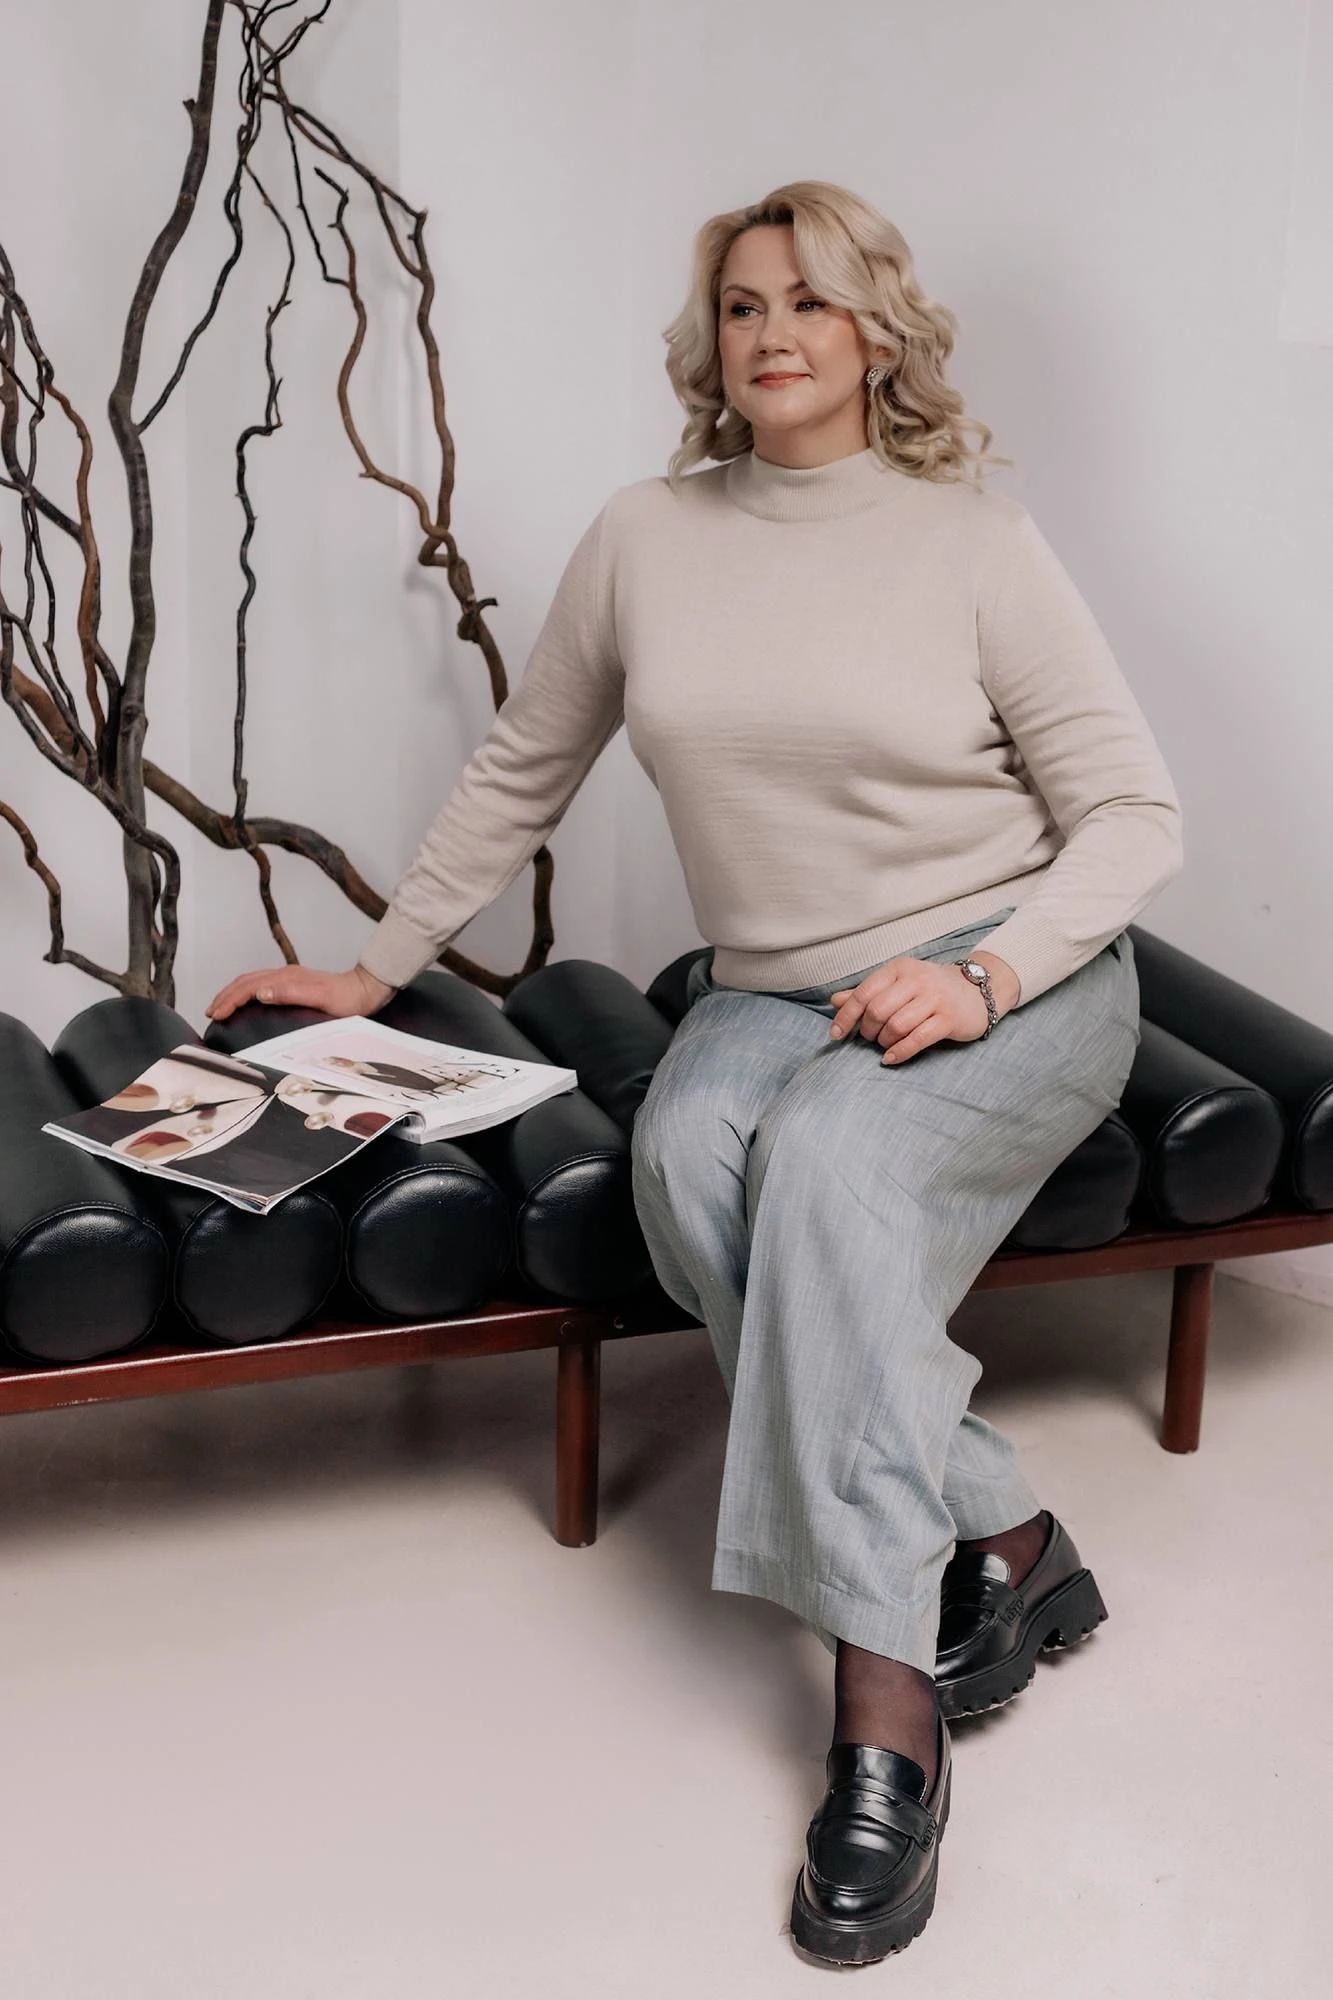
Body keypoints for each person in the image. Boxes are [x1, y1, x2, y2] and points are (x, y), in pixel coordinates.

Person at [207, 179, 1183, 1965]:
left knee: (826, 1171)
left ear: (876, 332)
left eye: (811, 301)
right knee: (685, 1162)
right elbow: (524, 762)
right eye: (743, 306)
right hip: (773, 988)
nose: (773, 333)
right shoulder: (645, 536)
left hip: (1006, 976)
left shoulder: (974, 540)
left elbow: (1132, 811)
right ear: (711, 341)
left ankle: (883, 1710)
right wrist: (372, 968)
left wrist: (981, 976)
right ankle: (1006, 1531)